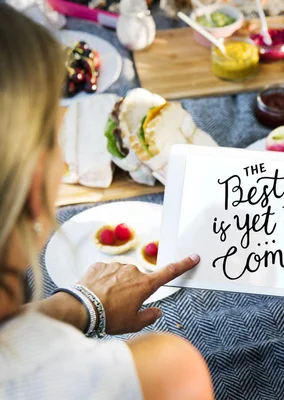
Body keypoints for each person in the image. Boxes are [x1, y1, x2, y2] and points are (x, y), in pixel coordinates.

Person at [0, 5, 213, 399]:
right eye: (56, 137)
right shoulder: (167, 373)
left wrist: (80, 306)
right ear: (32, 188)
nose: (65, 160)